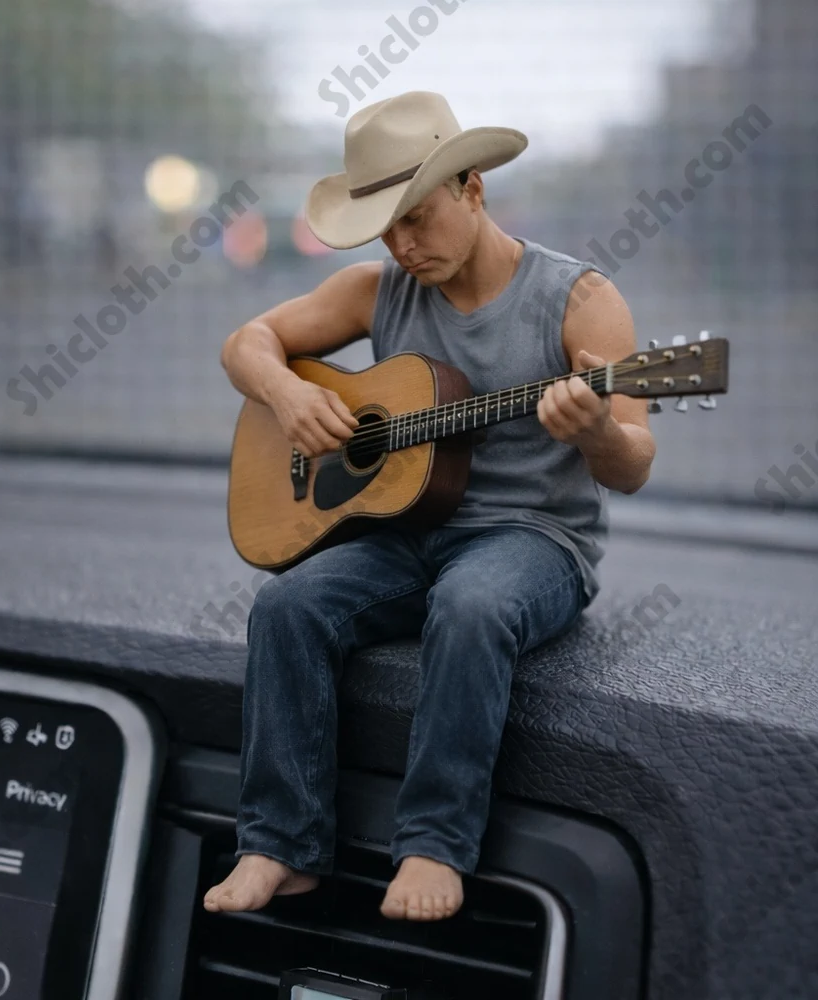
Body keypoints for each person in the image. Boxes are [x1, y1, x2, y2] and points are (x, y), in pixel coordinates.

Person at [205, 90, 656, 921]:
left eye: (416, 218)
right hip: (405, 530)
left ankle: (434, 845)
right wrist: (287, 395)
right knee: (286, 607)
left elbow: (632, 465)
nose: (402, 245)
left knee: (472, 603)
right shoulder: (374, 290)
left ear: (472, 188)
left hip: (532, 539)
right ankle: (278, 844)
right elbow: (247, 343)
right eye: (384, 228)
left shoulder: (579, 300)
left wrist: (596, 432)